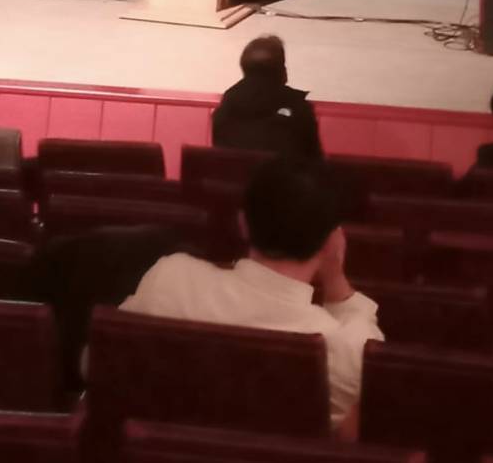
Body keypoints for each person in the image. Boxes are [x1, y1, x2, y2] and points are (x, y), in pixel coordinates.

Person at [119, 159, 383, 434]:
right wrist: (336, 280)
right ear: (331, 243)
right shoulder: (346, 347)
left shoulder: (170, 279)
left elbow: (108, 364)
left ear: (242, 223)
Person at [212, 34, 322, 161]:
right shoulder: (298, 108)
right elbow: (314, 161)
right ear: (281, 70)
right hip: (284, 174)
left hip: (234, 174)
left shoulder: (226, 108)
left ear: (244, 68)